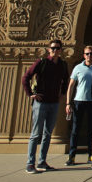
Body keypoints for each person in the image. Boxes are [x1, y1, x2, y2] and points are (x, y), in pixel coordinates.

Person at [21, 39, 69, 174]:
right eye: (53, 48)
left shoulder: (62, 65)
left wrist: (63, 94)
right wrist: (30, 94)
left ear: (61, 50)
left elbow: (66, 80)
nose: (55, 50)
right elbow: (26, 77)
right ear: (49, 49)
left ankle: (42, 161)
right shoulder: (41, 62)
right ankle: (30, 163)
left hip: (54, 103)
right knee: (36, 134)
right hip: (40, 103)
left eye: (58, 48)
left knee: (47, 134)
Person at [65, 45, 92, 166]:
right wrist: (68, 103)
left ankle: (91, 155)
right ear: (84, 55)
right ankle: (71, 156)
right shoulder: (78, 68)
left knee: (91, 130)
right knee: (75, 130)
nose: (89, 56)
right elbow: (71, 86)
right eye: (87, 54)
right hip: (79, 101)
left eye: (91, 53)